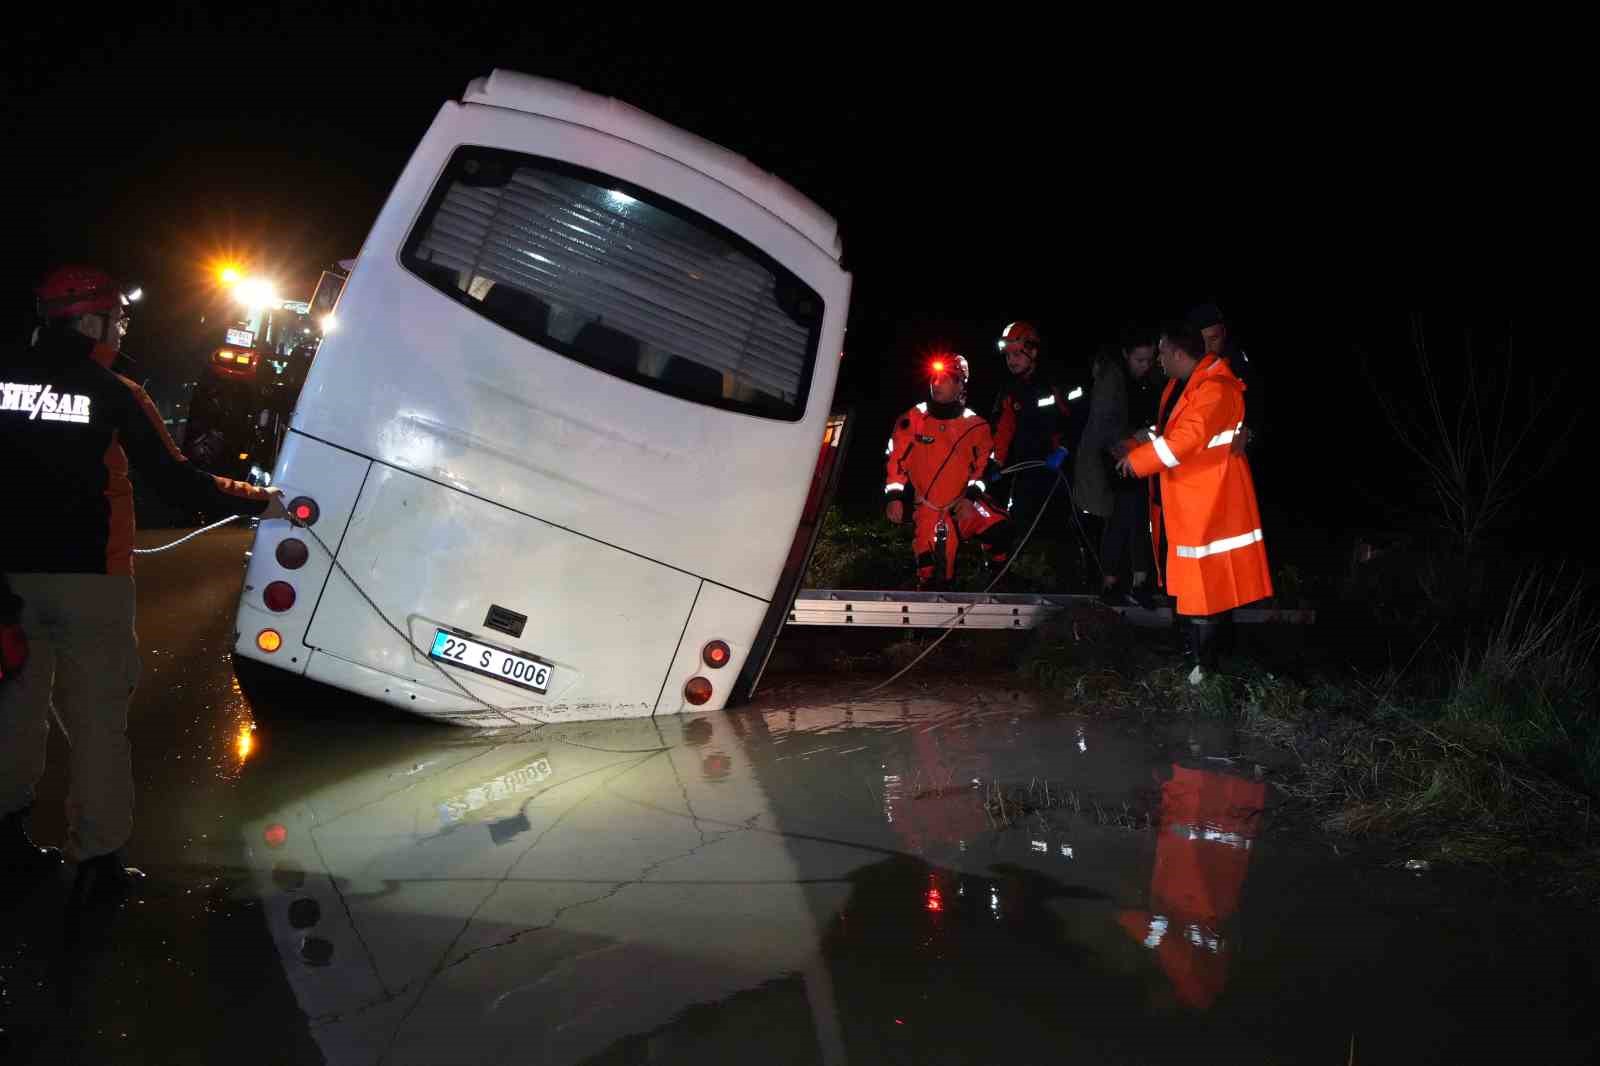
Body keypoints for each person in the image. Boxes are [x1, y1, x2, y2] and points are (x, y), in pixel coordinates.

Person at [1, 265, 286, 907]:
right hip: (90, 584)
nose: (122, 329)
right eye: (118, 319)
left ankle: (7, 840)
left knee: (13, 711)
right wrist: (257, 499)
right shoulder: (114, 391)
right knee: (98, 723)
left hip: (11, 584)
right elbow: (176, 479)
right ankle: (97, 859)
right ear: (92, 320)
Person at [1116, 324, 1271, 683]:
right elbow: (1171, 433)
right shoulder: (1186, 386)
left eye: (1162, 353)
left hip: (1207, 503)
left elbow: (1185, 440)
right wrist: (1137, 444)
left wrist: (1137, 462)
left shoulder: (1214, 390)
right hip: (1190, 500)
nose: (1159, 360)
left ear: (1178, 355)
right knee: (1193, 586)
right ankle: (1196, 659)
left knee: (1205, 589)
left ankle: (1204, 669)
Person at [885, 354, 1015, 588]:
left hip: (964, 502)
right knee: (932, 571)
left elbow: (984, 466)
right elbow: (896, 460)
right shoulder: (913, 419)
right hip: (929, 509)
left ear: (960, 385)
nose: (936, 383)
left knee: (1001, 529)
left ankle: (997, 576)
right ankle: (931, 606)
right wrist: (894, 497)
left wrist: (970, 498)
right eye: (934, 377)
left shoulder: (975, 425)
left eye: (945, 379)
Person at [1077, 329, 1159, 606]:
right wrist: (1131, 441)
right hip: (1117, 460)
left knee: (1135, 519)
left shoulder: (1143, 379)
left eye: (1150, 360)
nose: (1145, 366)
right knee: (1124, 519)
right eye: (1140, 360)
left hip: (1136, 459)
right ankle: (1122, 582)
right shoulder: (1112, 379)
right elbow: (1105, 424)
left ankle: (1132, 581)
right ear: (1126, 355)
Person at [1186, 302, 1261, 454]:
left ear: (1224, 333)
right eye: (1201, 341)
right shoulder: (1185, 363)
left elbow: (1256, 400)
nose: (1207, 347)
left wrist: (1249, 429)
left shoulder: (1239, 364)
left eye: (1214, 339)